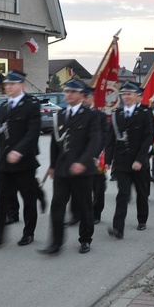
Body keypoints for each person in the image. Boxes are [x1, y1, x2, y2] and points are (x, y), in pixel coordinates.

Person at [0, 70, 42, 247]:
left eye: (11, 84)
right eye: (6, 84)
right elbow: (2, 137)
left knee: (28, 199)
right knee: (2, 199)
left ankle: (28, 233)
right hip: (4, 164)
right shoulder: (2, 107)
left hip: (24, 163)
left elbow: (32, 133)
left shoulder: (31, 105)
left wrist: (19, 151)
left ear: (21, 85)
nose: (7, 87)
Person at [41, 79, 101, 254]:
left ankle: (85, 239)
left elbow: (95, 141)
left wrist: (82, 162)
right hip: (62, 170)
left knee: (84, 207)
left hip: (82, 171)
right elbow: (55, 142)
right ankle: (56, 242)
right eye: (67, 91)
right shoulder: (60, 115)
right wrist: (52, 165)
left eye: (73, 92)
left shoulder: (92, 116)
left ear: (82, 96)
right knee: (57, 206)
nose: (69, 94)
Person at [105, 81, 153, 239]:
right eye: (124, 94)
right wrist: (108, 160)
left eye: (129, 94)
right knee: (122, 194)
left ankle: (142, 219)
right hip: (122, 162)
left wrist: (140, 159)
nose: (126, 97)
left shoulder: (145, 114)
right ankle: (118, 228)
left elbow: (147, 139)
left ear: (137, 96)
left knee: (141, 192)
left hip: (139, 162)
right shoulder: (116, 114)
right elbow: (111, 139)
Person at [83, 87, 109, 225]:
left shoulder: (100, 115)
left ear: (92, 98)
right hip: (80, 157)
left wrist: (96, 155)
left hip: (96, 157)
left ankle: (96, 212)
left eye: (86, 97)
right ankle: (79, 213)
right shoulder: (77, 114)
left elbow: (104, 137)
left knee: (97, 188)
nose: (84, 100)